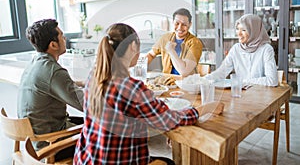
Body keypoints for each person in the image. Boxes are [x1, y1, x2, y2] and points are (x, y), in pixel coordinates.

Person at [73, 23, 224, 165]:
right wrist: (206, 108)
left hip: (87, 158)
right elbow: (170, 120)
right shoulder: (130, 88)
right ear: (133, 46)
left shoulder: (95, 77)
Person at [17, 19, 84, 153]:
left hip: (33, 141)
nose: (65, 38)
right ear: (53, 45)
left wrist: (82, 83)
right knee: (105, 131)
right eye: (61, 35)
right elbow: (87, 105)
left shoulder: (36, 63)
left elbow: (53, 83)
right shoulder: (53, 71)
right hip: (50, 145)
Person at [205, 14, 278, 86]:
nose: (239, 34)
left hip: (261, 95)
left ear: (254, 31)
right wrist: (204, 79)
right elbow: (221, 72)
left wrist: (244, 81)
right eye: (237, 29)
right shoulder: (236, 49)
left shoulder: (266, 49)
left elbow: (272, 80)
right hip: (240, 94)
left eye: (243, 30)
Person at [147, 8, 203, 77]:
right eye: (177, 23)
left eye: (184, 24)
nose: (180, 27)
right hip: (167, 82)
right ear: (173, 22)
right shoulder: (165, 38)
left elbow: (184, 72)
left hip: (186, 83)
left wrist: (171, 51)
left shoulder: (195, 43)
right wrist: (140, 66)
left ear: (190, 24)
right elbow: (151, 54)